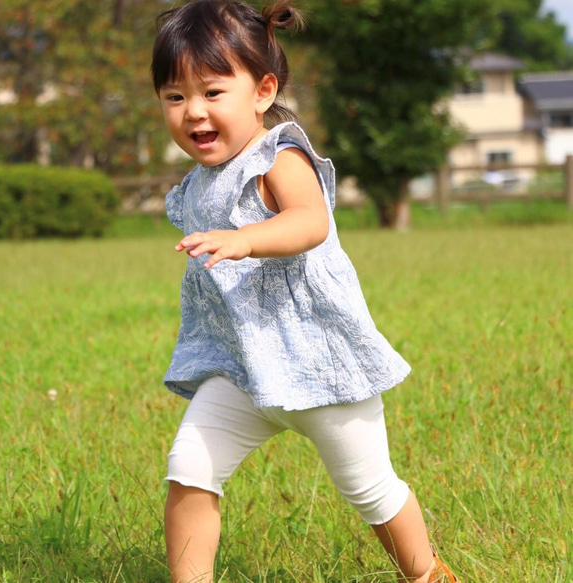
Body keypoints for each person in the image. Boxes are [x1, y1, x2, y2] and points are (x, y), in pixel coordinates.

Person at [152, 1, 461, 581]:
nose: (193, 111)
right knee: (190, 466)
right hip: (243, 367)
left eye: (212, 93)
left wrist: (245, 239)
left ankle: (426, 574)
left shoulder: (279, 156)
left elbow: (309, 222)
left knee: (369, 489)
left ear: (263, 91)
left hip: (319, 367)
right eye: (174, 97)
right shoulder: (199, 180)